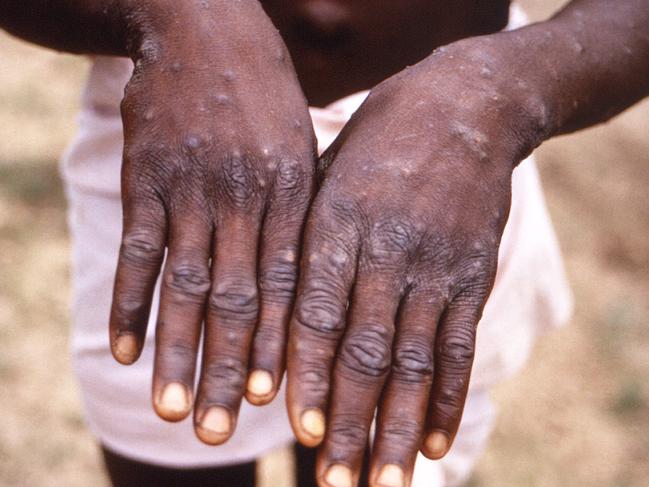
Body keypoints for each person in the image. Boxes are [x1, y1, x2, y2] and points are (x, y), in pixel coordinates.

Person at [2, 1, 647, 486]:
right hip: (187, 119)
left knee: (376, 457)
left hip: (445, 151)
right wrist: (176, 13)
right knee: (167, 452)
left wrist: (498, 91)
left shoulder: (476, 112)